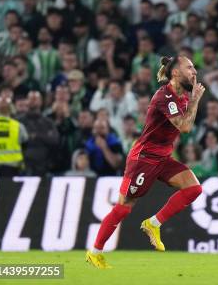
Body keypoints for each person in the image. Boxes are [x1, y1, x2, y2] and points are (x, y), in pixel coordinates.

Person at [86, 55, 205, 268]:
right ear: (175, 72)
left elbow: (185, 123)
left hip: (163, 157)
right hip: (144, 158)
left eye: (194, 68)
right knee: (124, 207)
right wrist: (195, 99)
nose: (194, 72)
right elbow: (185, 127)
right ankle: (94, 252)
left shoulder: (183, 96)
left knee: (194, 189)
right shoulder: (164, 97)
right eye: (189, 67)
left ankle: (153, 223)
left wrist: (192, 99)